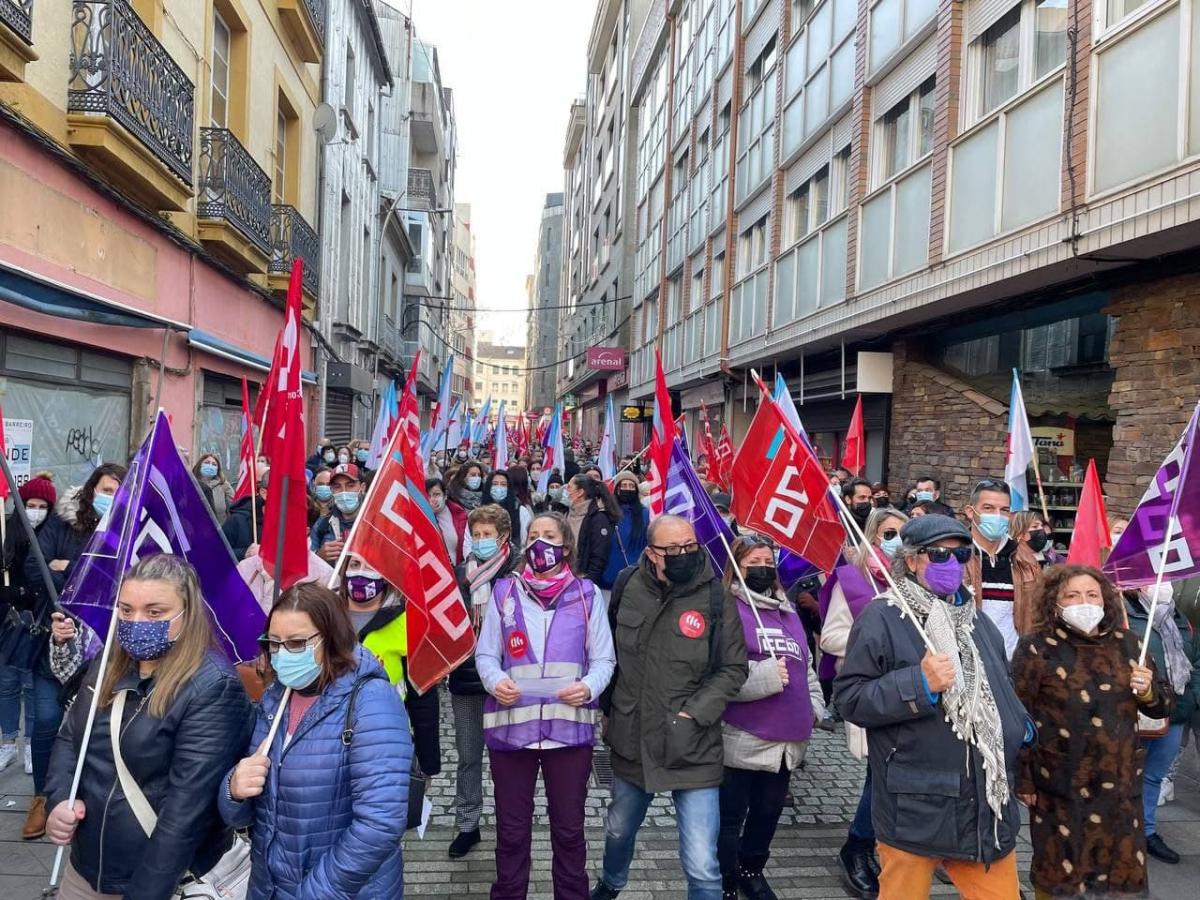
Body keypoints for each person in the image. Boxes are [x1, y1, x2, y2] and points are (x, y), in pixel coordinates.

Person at [834, 515, 1030, 899]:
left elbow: (1002, 685)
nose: (952, 564)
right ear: (911, 560)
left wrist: (1021, 726)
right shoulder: (883, 615)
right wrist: (918, 683)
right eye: (940, 554)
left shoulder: (976, 621)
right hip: (915, 805)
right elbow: (850, 698)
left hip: (984, 805)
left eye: (961, 554)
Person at [44, 555, 253, 897]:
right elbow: (71, 738)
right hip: (86, 870)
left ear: (188, 614)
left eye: (154, 612)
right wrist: (58, 800)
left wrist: (146, 891)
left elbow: (187, 811)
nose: (136, 621)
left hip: (159, 880)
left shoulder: (212, 685)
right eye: (126, 610)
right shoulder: (109, 659)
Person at [220, 582, 411, 900]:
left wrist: (315, 893)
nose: (282, 655)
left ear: (332, 638)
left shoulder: (371, 701)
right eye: (274, 643)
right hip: (271, 887)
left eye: (297, 643)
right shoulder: (274, 699)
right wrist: (233, 790)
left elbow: (380, 823)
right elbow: (246, 814)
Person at [592, 514, 748, 900]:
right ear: (651, 553)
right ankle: (611, 883)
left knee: (701, 864)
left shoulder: (715, 596)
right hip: (633, 739)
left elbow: (733, 668)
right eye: (672, 549)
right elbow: (608, 656)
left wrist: (693, 714)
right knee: (618, 830)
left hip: (692, 745)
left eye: (689, 547)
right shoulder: (629, 585)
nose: (683, 555)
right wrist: (604, 709)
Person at [476, 511, 614, 899]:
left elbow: (604, 659)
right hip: (512, 732)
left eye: (549, 535)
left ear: (565, 545)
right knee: (512, 830)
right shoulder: (504, 591)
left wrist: (587, 687)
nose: (540, 542)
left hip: (568, 733)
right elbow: (486, 654)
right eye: (534, 535)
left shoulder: (586, 595)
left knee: (569, 831)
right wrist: (496, 680)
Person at [1012, 565, 1172, 895]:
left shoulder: (1129, 644)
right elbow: (1019, 717)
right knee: (1061, 877)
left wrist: (1148, 692)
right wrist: (1023, 777)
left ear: (1105, 600)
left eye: (1091, 594)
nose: (1083, 602)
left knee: (1120, 877)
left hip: (1119, 786)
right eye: (1071, 595)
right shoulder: (1035, 647)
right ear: (1054, 603)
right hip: (1059, 784)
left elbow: (1162, 705)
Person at [23, 463, 126, 840]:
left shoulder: (126, 533)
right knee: (47, 719)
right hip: (55, 635)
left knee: (91, 725)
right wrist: (77, 580)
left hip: (103, 648)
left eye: (117, 490)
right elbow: (37, 567)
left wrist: (69, 567)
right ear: (90, 490)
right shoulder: (63, 524)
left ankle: (82, 796)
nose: (109, 497)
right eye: (104, 489)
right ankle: (42, 799)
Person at [719, 536, 824, 900]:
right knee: (731, 814)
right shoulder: (727, 608)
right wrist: (763, 676)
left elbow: (805, 665)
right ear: (738, 567)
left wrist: (813, 705)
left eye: (768, 560)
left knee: (767, 814)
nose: (763, 567)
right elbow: (718, 672)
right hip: (743, 733)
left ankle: (752, 869)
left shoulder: (788, 611)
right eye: (754, 562)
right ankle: (727, 877)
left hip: (787, 736)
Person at [818, 507, 908, 899]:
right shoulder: (855, 581)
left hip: (914, 691)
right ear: (872, 535)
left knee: (890, 773)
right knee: (880, 772)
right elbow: (831, 637)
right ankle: (857, 845)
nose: (897, 541)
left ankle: (871, 845)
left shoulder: (913, 580)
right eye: (889, 533)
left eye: (904, 534)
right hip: (873, 690)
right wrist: (877, 644)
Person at [339, 555, 442, 817]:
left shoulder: (405, 621)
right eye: (354, 565)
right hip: (332, 743)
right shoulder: (327, 616)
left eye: (371, 566)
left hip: (386, 742)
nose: (361, 573)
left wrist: (427, 762)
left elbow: (422, 694)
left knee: (381, 822)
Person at [447, 505, 522, 860]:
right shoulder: (459, 574)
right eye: (475, 534)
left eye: (487, 534)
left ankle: (511, 826)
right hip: (466, 677)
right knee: (468, 756)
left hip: (509, 682)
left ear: (503, 537)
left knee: (508, 759)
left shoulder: (519, 572)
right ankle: (467, 824)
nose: (480, 540)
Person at [1123, 581, 1200, 865]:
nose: (1162, 586)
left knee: (1154, 775)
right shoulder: (1125, 614)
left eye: (1166, 580)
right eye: (1154, 580)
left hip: (1175, 711)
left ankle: (1148, 831)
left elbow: (1196, 659)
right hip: (1138, 712)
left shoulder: (1180, 620)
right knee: (1127, 774)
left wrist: (1191, 698)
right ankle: (1122, 831)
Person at [0, 475, 56, 782]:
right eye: (30, 505)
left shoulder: (53, 534)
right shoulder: (6, 532)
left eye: (42, 506)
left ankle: (35, 745)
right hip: (9, 624)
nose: (35, 511)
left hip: (41, 623)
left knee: (32, 687)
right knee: (7, 684)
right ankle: (8, 740)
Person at [963, 478, 1043, 659]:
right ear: (970, 511)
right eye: (988, 508)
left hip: (1013, 662)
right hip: (971, 661)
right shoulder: (958, 557)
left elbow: (1037, 614)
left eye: (1004, 510)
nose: (997, 515)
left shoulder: (1026, 560)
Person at [600, 472, 649, 592]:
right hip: (607, 579)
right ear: (617, 489)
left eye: (631, 486)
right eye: (624, 485)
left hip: (635, 578)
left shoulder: (645, 514)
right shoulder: (606, 513)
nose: (627, 489)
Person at [566, 474, 618, 586]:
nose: (566, 490)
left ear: (580, 492)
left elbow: (599, 556)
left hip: (583, 579)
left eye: (569, 487)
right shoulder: (566, 513)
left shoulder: (598, 518)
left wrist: (588, 582)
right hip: (563, 577)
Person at [310, 463, 364, 565]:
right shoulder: (322, 524)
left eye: (350, 486)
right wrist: (319, 557)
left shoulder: (376, 522)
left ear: (362, 487)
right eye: (337, 487)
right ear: (332, 491)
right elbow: (309, 568)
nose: (344, 492)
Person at [223, 470, 267, 562]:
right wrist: (245, 553)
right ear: (263, 493)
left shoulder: (291, 522)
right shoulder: (238, 520)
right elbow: (218, 553)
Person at [484, 470, 531, 547]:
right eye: (495, 484)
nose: (498, 487)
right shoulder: (478, 511)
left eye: (503, 484)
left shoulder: (520, 511)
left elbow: (525, 541)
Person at [194, 453, 234, 524]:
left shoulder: (224, 485)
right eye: (207, 462)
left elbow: (234, 506)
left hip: (219, 529)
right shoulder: (192, 482)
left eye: (214, 464)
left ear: (217, 469)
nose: (210, 466)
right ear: (200, 465)